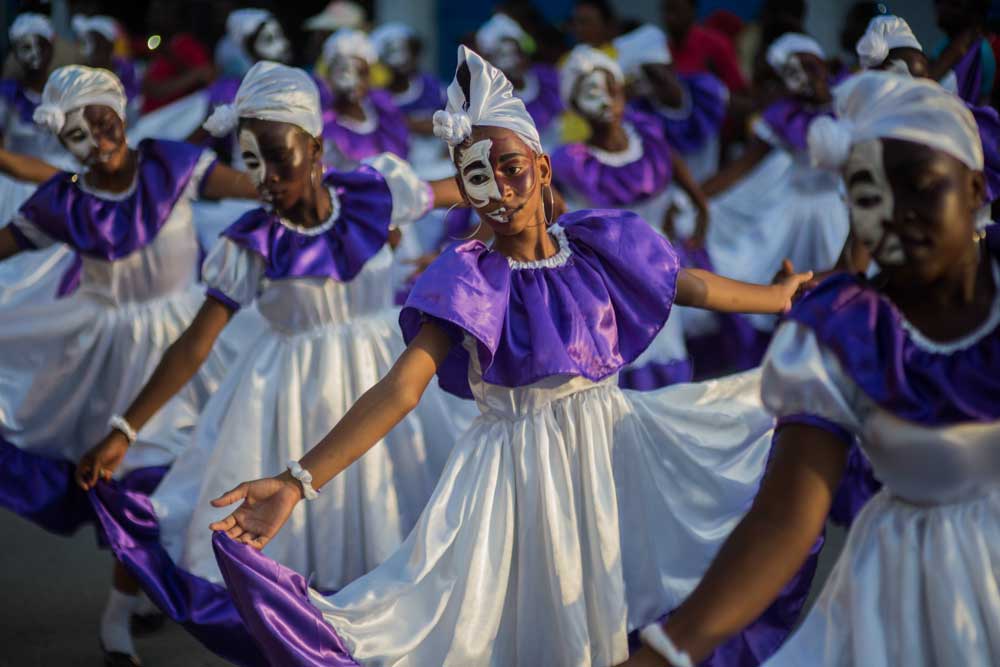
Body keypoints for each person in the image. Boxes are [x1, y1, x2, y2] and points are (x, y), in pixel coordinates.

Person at [207, 46, 815, 667]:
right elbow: (400, 389)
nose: (497, 189)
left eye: (510, 167)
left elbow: (691, 285)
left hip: (609, 447)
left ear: (544, 167)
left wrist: (781, 298)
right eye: (476, 177)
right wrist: (295, 481)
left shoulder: (600, 244)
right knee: (523, 623)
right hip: (520, 473)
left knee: (611, 594)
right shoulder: (469, 278)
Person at [76, 60, 472, 666]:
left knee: (395, 530)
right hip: (293, 404)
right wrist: (125, 428)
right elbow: (194, 344)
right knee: (293, 551)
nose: (263, 178)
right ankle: (124, 616)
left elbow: (467, 190)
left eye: (277, 159)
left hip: (387, 390)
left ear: (315, 148)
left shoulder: (375, 193)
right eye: (250, 162)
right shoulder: (251, 242)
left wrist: (516, 188)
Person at [626, 70, 1000, 667]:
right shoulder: (843, 332)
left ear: (977, 188)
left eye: (922, 187)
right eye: (869, 196)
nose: (898, 215)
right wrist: (667, 653)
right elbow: (784, 519)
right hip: (901, 604)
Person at [0, 65, 258, 666]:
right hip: (112, 361)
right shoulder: (62, 202)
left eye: (102, 119)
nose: (96, 137)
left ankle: (145, 592)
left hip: (196, 342)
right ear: (61, 143)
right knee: (141, 486)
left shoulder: (173, 165)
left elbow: (260, 190)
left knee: (206, 475)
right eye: (76, 134)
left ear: (120, 114)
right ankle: (120, 613)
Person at [552, 44, 710, 389]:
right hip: (609, 265)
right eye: (591, 92)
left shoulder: (648, 136)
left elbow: (682, 178)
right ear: (576, 105)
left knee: (666, 339)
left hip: (661, 257)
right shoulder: (572, 161)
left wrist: (699, 216)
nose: (606, 99)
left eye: (612, 89)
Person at [320, 29, 409, 171]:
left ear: (370, 76)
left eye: (360, 73)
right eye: (343, 73)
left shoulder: (385, 112)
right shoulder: (323, 125)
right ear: (329, 76)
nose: (353, 82)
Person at [476, 13, 564, 151]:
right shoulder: (487, 97)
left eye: (517, 53)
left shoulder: (547, 77)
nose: (514, 61)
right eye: (504, 56)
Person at [370, 22, 446, 137]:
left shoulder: (434, 87)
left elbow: (452, 125)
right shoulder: (373, 97)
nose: (408, 58)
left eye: (413, 51)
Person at [662, 0, 747, 93]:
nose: (670, 18)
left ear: (692, 11)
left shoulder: (716, 44)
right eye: (666, 10)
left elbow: (740, 90)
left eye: (676, 10)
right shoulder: (660, 50)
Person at [930, 0, 995, 105]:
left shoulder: (979, 53)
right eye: (938, 1)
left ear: (973, 13)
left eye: (954, 5)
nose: (940, 8)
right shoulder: (947, 42)